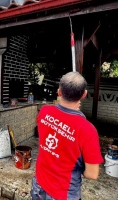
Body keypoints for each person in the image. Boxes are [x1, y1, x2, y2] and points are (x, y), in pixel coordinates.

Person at [30, 72, 104, 200]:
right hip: (64, 194)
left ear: (59, 92)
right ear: (84, 94)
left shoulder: (44, 112)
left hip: (39, 185)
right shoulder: (87, 130)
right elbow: (92, 174)